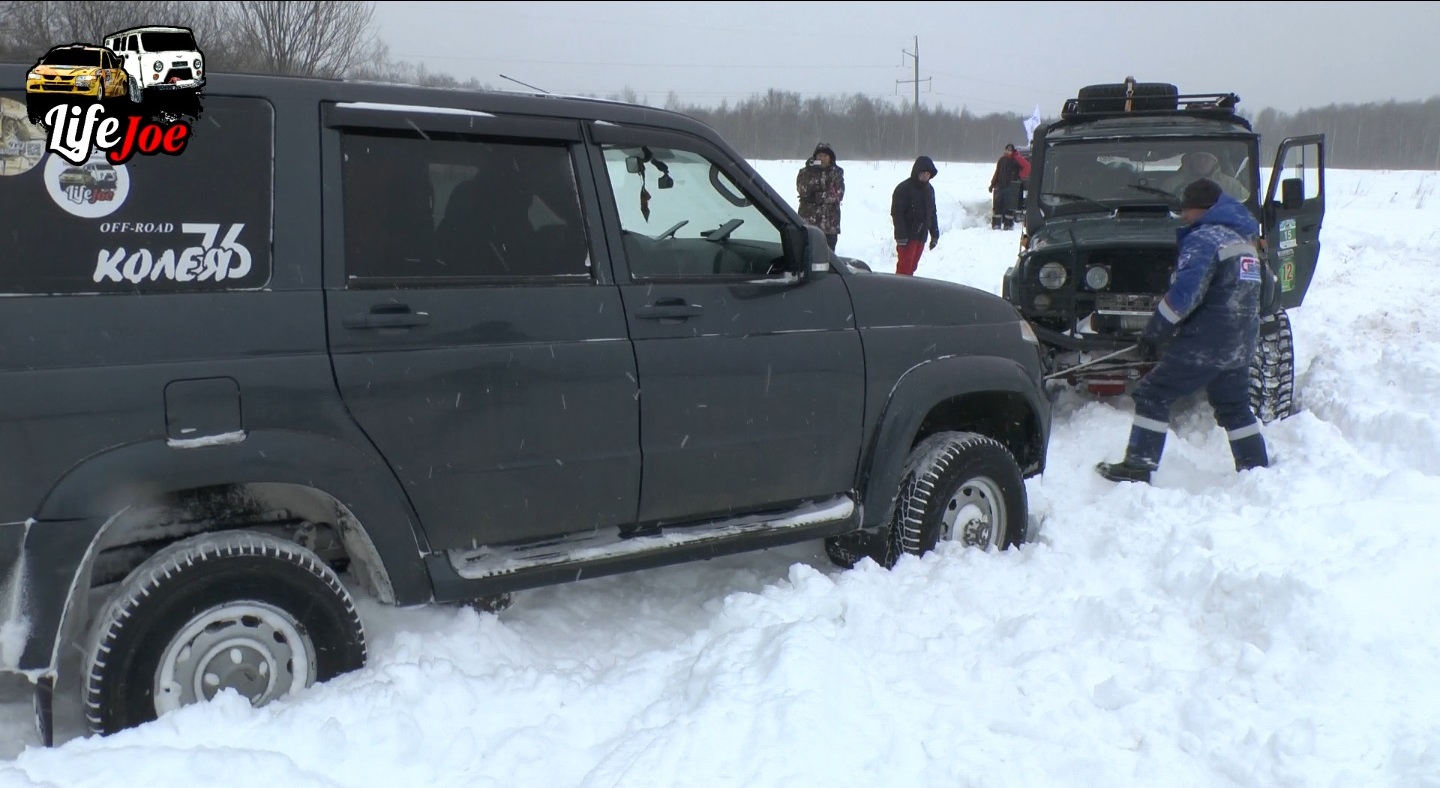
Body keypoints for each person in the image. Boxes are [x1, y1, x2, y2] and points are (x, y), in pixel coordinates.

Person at [1095, 178, 1270, 484]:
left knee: (1152, 394)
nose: (1183, 217)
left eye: (1186, 210)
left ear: (1201, 209)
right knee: (1234, 406)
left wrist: (1155, 333)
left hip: (1208, 340)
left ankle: (1138, 465)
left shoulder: (1204, 239)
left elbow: (1183, 295)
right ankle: (1256, 468)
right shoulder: (1243, 240)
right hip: (1241, 340)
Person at [890, 156, 940, 276]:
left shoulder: (930, 190)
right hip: (907, 237)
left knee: (912, 267)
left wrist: (934, 234)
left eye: (928, 174)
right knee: (904, 269)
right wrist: (901, 237)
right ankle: (900, 287)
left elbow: (932, 213)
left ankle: (907, 285)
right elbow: (897, 213)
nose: (925, 177)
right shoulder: (904, 189)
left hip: (921, 236)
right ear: (916, 172)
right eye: (923, 174)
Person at [796, 142, 845, 251]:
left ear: (830, 158)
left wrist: (816, 197)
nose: (821, 158)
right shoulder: (805, 172)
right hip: (808, 224)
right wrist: (811, 172)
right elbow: (802, 190)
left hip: (829, 226)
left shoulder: (836, 172)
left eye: (825, 156)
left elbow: (838, 194)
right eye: (819, 155)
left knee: (828, 256)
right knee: (806, 253)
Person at [1161, 151, 1249, 202]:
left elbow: (1246, 200)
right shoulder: (1173, 183)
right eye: (1198, 157)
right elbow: (1163, 204)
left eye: (1207, 158)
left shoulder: (1229, 184)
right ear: (1191, 161)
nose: (1202, 162)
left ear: (1214, 162)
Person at [988, 144, 1026, 230]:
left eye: (1009, 150)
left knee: (1008, 207)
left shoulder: (1016, 160)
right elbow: (997, 173)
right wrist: (992, 184)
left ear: (1013, 151)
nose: (1007, 152)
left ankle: (1008, 225)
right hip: (1000, 186)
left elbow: (1027, 167)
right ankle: (996, 224)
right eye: (1006, 150)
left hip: (1011, 187)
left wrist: (1019, 176)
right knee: (997, 206)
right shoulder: (1001, 160)